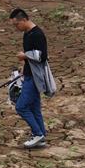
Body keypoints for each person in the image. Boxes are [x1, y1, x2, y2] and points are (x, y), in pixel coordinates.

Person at [9, 8, 57, 148]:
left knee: (21, 107)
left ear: (24, 20)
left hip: (36, 77)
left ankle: (37, 134)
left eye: (16, 24)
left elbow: (42, 56)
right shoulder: (27, 34)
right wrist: (24, 66)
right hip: (29, 74)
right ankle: (41, 137)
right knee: (34, 108)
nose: (16, 28)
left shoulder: (37, 34)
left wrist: (25, 56)